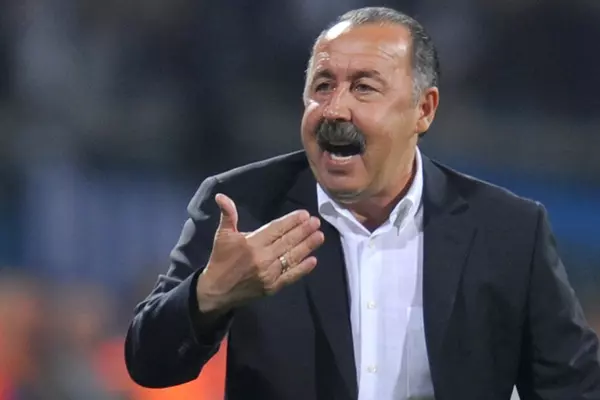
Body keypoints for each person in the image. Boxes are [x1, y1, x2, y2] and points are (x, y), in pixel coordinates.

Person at [124, 7, 600, 400]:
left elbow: (573, 388)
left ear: (423, 109)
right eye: (322, 86)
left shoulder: (508, 230)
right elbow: (148, 364)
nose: (335, 109)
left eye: (364, 88)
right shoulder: (241, 208)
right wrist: (209, 294)